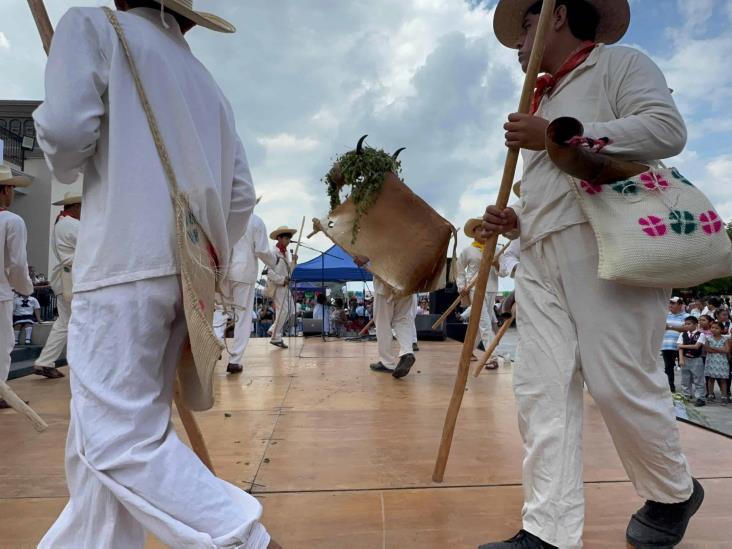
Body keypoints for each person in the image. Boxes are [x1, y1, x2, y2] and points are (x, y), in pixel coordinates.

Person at [33, 2, 279, 547]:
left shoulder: (92, 26)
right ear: (188, 17)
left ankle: (246, 539)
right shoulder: (207, 83)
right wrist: (198, 258)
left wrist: (57, 100)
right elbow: (238, 196)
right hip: (187, 276)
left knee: (118, 441)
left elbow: (67, 140)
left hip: (120, 266)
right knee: (95, 450)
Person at [481, 1, 702, 548]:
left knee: (617, 382)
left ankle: (674, 491)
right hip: (538, 252)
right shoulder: (541, 97)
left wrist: (557, 133)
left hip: (609, 243)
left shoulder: (620, 64)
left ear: (555, 16)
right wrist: (515, 221)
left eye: (527, 24)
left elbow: (665, 130)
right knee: (541, 388)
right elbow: (551, 187)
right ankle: (548, 531)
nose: (518, 41)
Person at [216, 210, 277, 373]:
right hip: (244, 271)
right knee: (243, 317)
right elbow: (262, 251)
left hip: (222, 271)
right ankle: (235, 360)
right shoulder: (255, 221)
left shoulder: (222, 217)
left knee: (220, 311)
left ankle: (215, 344)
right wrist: (274, 261)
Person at [32, 193, 82, 379]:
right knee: (76, 322)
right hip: (72, 278)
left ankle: (45, 361)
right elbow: (93, 246)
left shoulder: (62, 223)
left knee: (65, 322)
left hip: (66, 277)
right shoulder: (72, 225)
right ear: (76, 206)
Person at [0, 165, 34, 409]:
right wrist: (26, 288)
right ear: (5, 190)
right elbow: (17, 263)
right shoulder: (12, 221)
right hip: (0, 293)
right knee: (3, 344)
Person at [353, 255, 415, 379]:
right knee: (402, 319)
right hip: (408, 277)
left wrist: (366, 256)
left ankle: (387, 362)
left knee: (382, 322)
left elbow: (382, 243)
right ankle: (407, 352)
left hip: (386, 276)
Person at [456, 218, 500, 360]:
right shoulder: (467, 251)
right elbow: (460, 270)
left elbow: (504, 272)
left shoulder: (496, 249)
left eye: (485, 229)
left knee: (480, 325)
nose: (483, 232)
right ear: (473, 232)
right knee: (485, 323)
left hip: (492, 289)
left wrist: (497, 264)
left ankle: (468, 352)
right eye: (480, 229)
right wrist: (461, 286)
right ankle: (492, 356)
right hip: (475, 289)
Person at [266, 225, 298, 349]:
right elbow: (269, 272)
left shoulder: (285, 253)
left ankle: (273, 329)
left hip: (285, 285)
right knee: (284, 311)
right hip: (278, 286)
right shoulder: (273, 252)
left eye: (289, 238)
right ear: (279, 238)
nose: (288, 240)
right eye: (286, 237)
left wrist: (294, 262)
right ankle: (275, 337)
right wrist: (281, 280)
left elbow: (289, 272)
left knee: (291, 310)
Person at [678, 316, 707, 407]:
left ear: (695, 324)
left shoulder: (701, 334)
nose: (686, 326)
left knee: (698, 379)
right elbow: (679, 348)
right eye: (685, 324)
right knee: (685, 379)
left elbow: (696, 346)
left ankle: (700, 398)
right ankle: (686, 395)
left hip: (696, 359)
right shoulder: (682, 334)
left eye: (689, 324)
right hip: (685, 359)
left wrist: (682, 346)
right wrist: (681, 359)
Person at [661, 297, 687, 393]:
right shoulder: (665, 315)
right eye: (670, 303)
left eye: (673, 303)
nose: (670, 305)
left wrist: (670, 327)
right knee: (668, 367)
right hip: (667, 345)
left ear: (680, 305)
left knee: (685, 367)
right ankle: (670, 388)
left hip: (682, 346)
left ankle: (686, 390)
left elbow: (687, 328)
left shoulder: (686, 316)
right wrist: (678, 327)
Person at [704, 321, 730, 405]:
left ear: (721, 330)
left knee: (723, 380)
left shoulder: (725, 339)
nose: (714, 329)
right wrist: (720, 349)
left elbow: (726, 350)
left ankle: (724, 397)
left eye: (716, 328)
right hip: (711, 361)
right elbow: (707, 349)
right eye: (712, 328)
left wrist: (713, 348)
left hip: (722, 361)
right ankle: (710, 395)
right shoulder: (708, 338)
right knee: (711, 379)